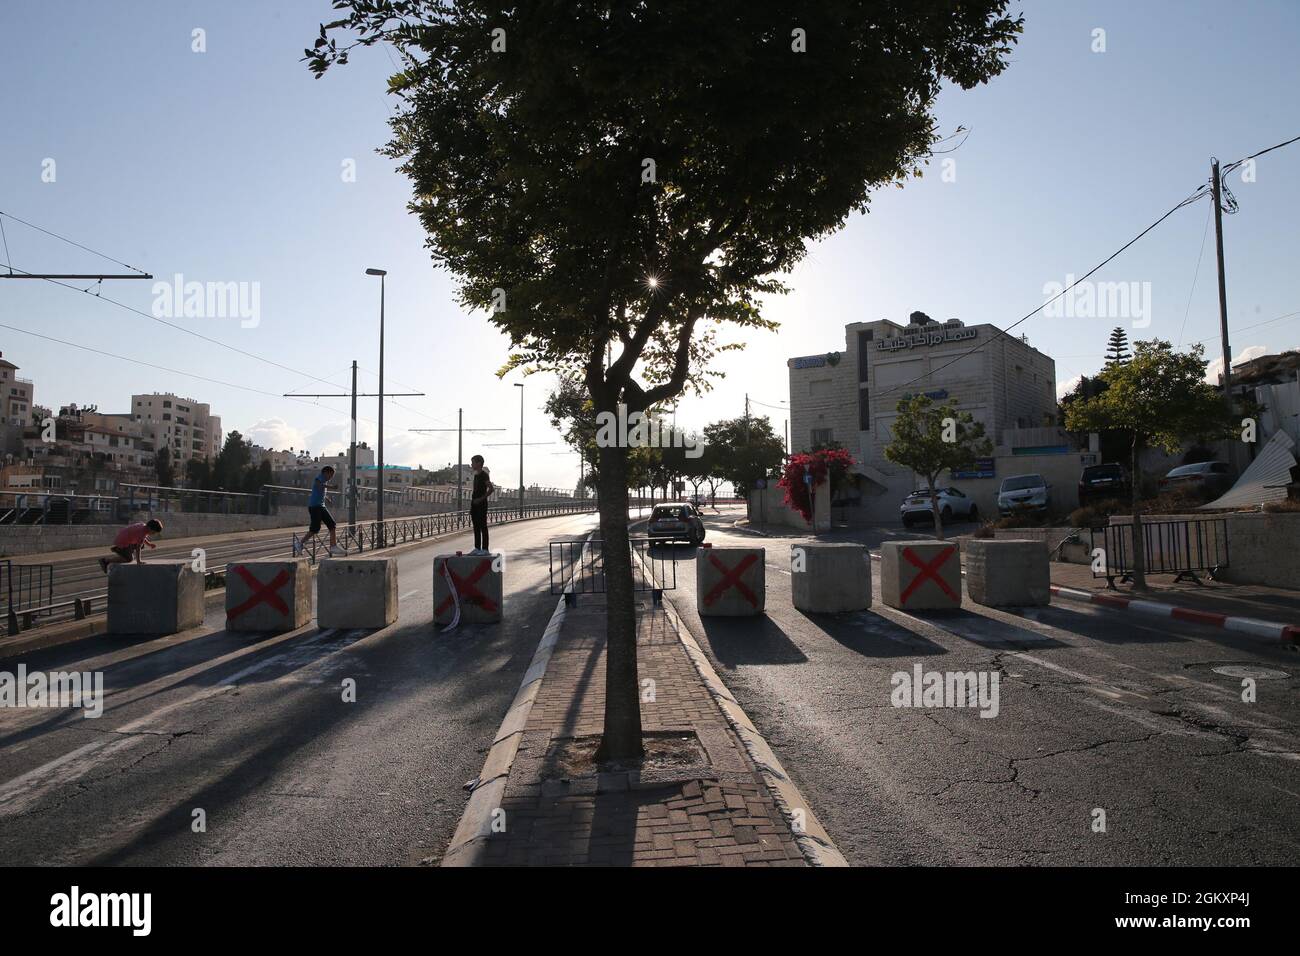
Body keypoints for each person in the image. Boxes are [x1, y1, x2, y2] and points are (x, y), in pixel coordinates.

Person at [295, 465, 338, 556]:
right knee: (315, 529)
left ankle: (333, 547)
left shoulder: (324, 480)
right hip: (315, 507)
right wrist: (332, 487)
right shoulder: (319, 478)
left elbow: (320, 490)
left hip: (321, 506)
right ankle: (300, 543)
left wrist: (327, 498)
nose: (331, 478)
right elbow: (319, 485)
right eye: (331, 475)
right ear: (326, 472)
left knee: (332, 525)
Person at [99, 518, 164, 573]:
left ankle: (122, 549)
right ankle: (106, 560)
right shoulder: (142, 533)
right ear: (150, 528)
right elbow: (138, 547)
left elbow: (142, 538)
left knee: (142, 545)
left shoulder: (143, 526)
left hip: (123, 538)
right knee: (129, 559)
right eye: (153, 532)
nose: (153, 534)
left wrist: (149, 544)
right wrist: (139, 561)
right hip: (122, 542)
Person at [469, 454, 494, 554]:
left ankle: (485, 549)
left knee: (482, 526)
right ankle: (477, 548)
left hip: (481, 504)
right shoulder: (476, 475)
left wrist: (480, 499)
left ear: (479, 463)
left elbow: (491, 489)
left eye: (473, 462)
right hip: (474, 504)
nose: (472, 464)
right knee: (476, 526)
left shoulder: (484, 475)